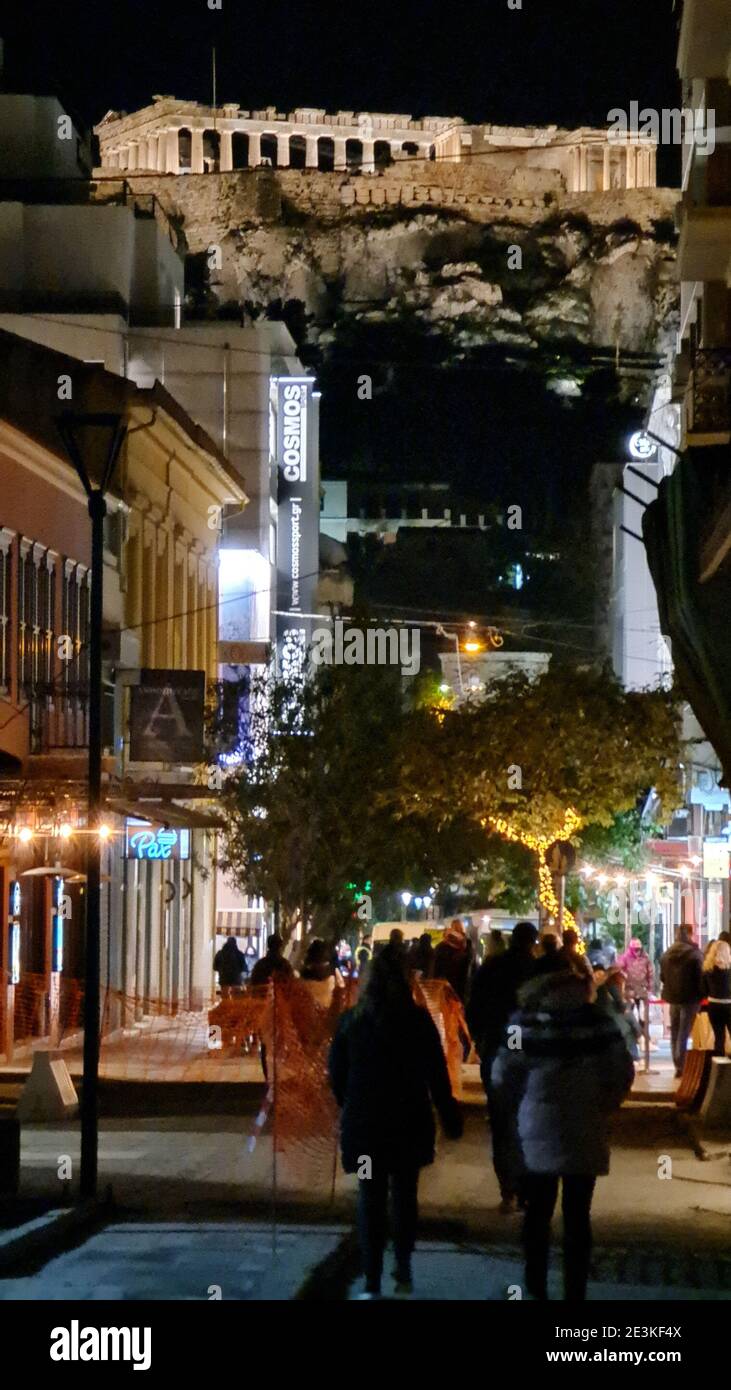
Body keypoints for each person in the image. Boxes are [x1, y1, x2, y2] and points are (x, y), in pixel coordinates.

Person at [328, 945, 463, 1299]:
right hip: (407, 1126)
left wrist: (351, 1105)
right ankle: (402, 1270)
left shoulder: (353, 1022)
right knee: (404, 1197)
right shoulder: (418, 1021)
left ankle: (371, 1282)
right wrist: (449, 1116)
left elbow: (336, 1074)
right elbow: (437, 1075)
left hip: (367, 1129)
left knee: (370, 1198)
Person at [492, 970, 634, 1301]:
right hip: (586, 1125)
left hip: (535, 1128)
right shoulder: (599, 1022)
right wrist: (607, 1102)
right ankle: (575, 1290)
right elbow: (622, 1070)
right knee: (578, 1216)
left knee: (538, 1213)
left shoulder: (523, 1023)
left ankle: (535, 1285)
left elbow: (502, 1073)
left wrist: (517, 1105)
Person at [467, 920, 538, 1212]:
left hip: (496, 1047)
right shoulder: (536, 970)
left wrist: (480, 1040)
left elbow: (474, 1008)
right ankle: (526, 1187)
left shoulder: (492, 968)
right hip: (528, 1051)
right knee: (529, 1118)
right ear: (532, 942)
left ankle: (508, 1187)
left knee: (501, 1119)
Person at [660, 926, 704, 1078]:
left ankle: (678, 1064)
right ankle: (682, 1064)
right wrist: (702, 993)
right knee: (684, 1033)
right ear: (690, 934)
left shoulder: (667, 953)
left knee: (675, 1031)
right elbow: (700, 977)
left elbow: (662, 977)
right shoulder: (695, 954)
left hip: (673, 998)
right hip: (690, 999)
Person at [617, 937, 653, 1032]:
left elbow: (650, 973)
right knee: (630, 1013)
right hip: (630, 990)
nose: (637, 950)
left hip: (642, 990)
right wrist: (623, 977)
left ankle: (644, 1034)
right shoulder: (625, 957)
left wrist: (650, 987)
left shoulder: (645, 957)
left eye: (639, 948)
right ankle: (632, 1033)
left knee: (644, 1015)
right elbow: (618, 969)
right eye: (635, 948)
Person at [703, 938, 731, 1058]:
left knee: (719, 1037)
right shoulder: (729, 970)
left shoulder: (708, 969)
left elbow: (703, 989)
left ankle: (719, 1070)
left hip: (713, 1006)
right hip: (729, 1005)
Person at [432, 919, 473, 1002]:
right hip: (461, 983)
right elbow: (469, 963)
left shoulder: (442, 946)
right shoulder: (467, 944)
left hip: (446, 983)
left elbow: (436, 967)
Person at [300, 938, 344, 1008]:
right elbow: (341, 989)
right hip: (326, 1010)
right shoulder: (332, 973)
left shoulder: (305, 973)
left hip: (309, 1010)